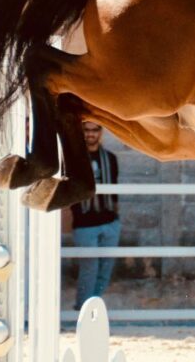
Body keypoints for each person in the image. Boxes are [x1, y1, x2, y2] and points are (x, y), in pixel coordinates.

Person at [71, 121, 121, 310]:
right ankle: (82, 309)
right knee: (89, 269)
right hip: (85, 224)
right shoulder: (72, 159)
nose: (91, 134)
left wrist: (116, 218)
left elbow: (114, 192)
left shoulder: (110, 158)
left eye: (95, 130)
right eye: (87, 130)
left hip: (109, 222)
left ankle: (93, 307)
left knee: (105, 269)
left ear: (101, 133)